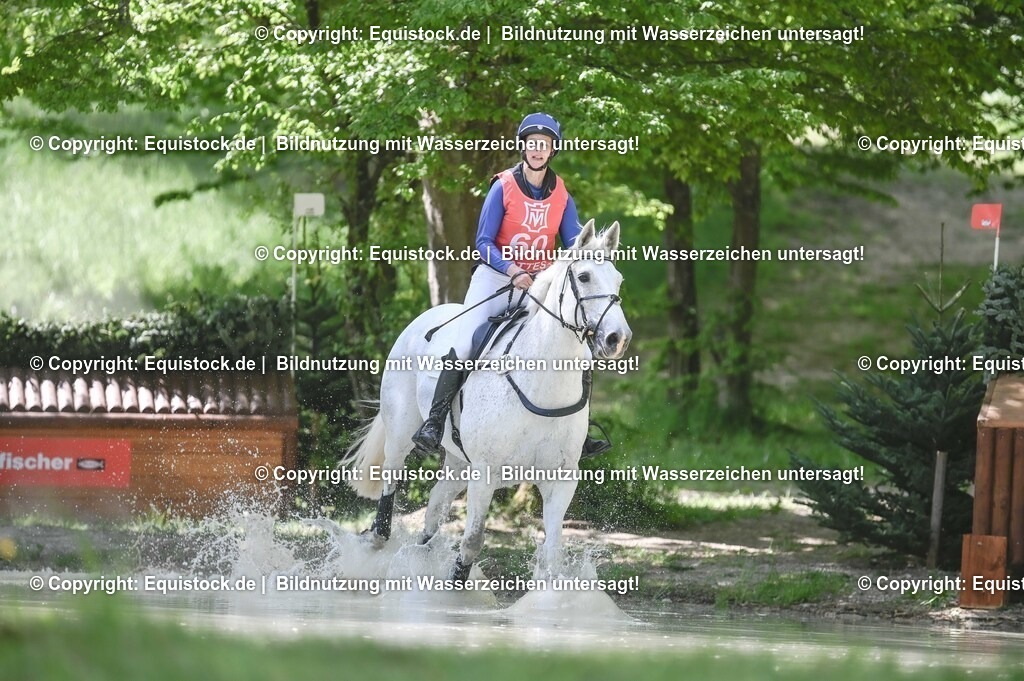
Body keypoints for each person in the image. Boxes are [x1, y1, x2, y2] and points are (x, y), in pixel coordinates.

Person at [411, 112, 611, 459]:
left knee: (577, 348)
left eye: (544, 145)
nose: (537, 150)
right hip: (495, 278)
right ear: (523, 147)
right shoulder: (502, 186)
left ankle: (582, 429)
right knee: (465, 340)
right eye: (532, 143)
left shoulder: (561, 194)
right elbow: (483, 241)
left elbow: (573, 240)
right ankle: (434, 421)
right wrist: (511, 267)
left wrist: (594, 249)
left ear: (552, 150)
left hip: (539, 285)